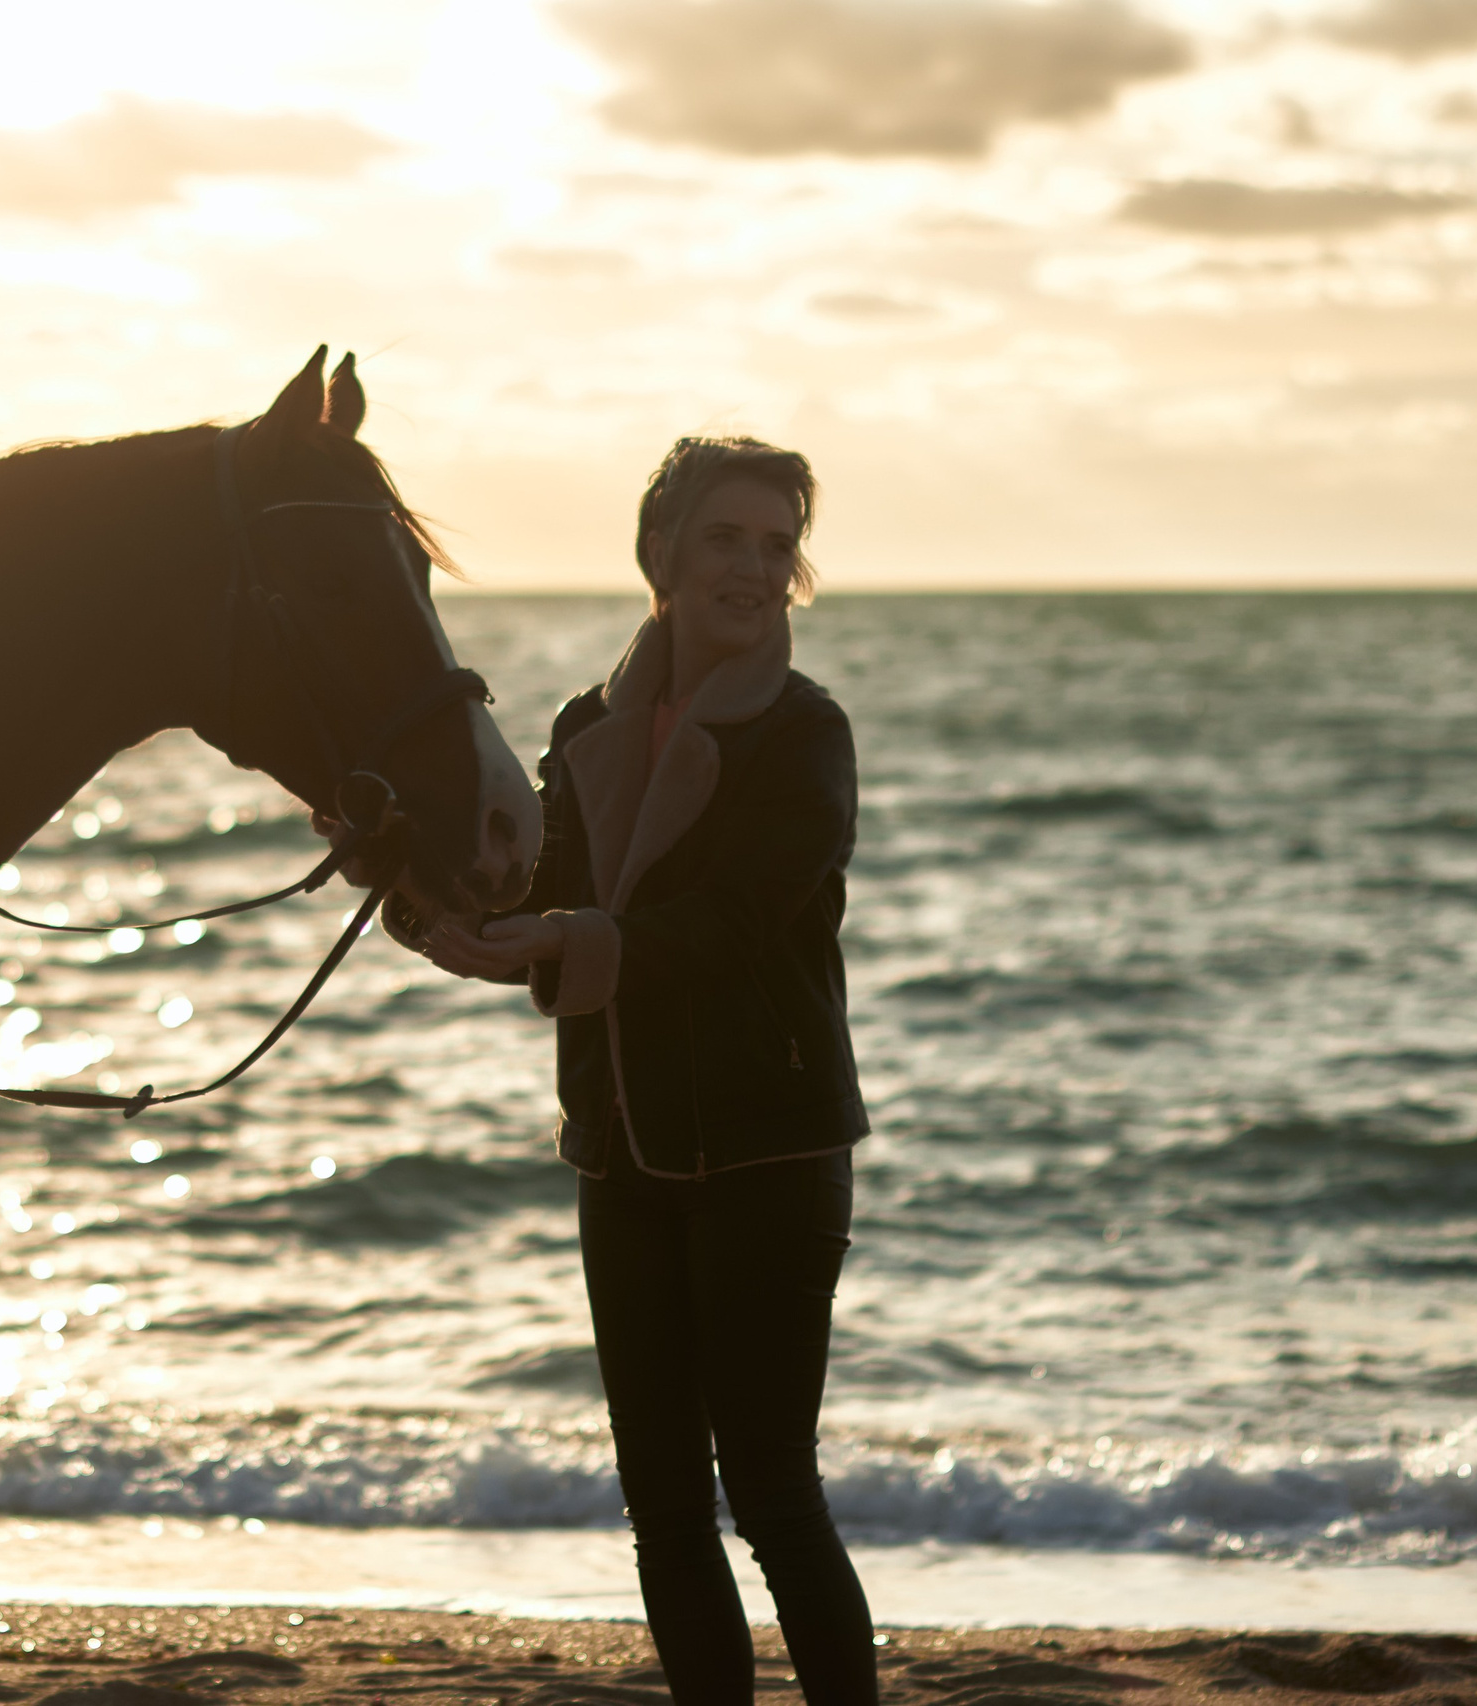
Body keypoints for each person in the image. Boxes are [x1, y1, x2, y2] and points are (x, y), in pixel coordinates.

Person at [422, 437, 875, 1706]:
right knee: (664, 1507)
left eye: (775, 546)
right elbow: (553, 904)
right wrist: (440, 900)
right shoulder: (582, 729)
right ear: (660, 553)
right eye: (724, 538)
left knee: (775, 1498)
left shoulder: (804, 732)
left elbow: (738, 926)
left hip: (771, 1155)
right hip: (620, 1153)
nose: (752, 567)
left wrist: (571, 940)